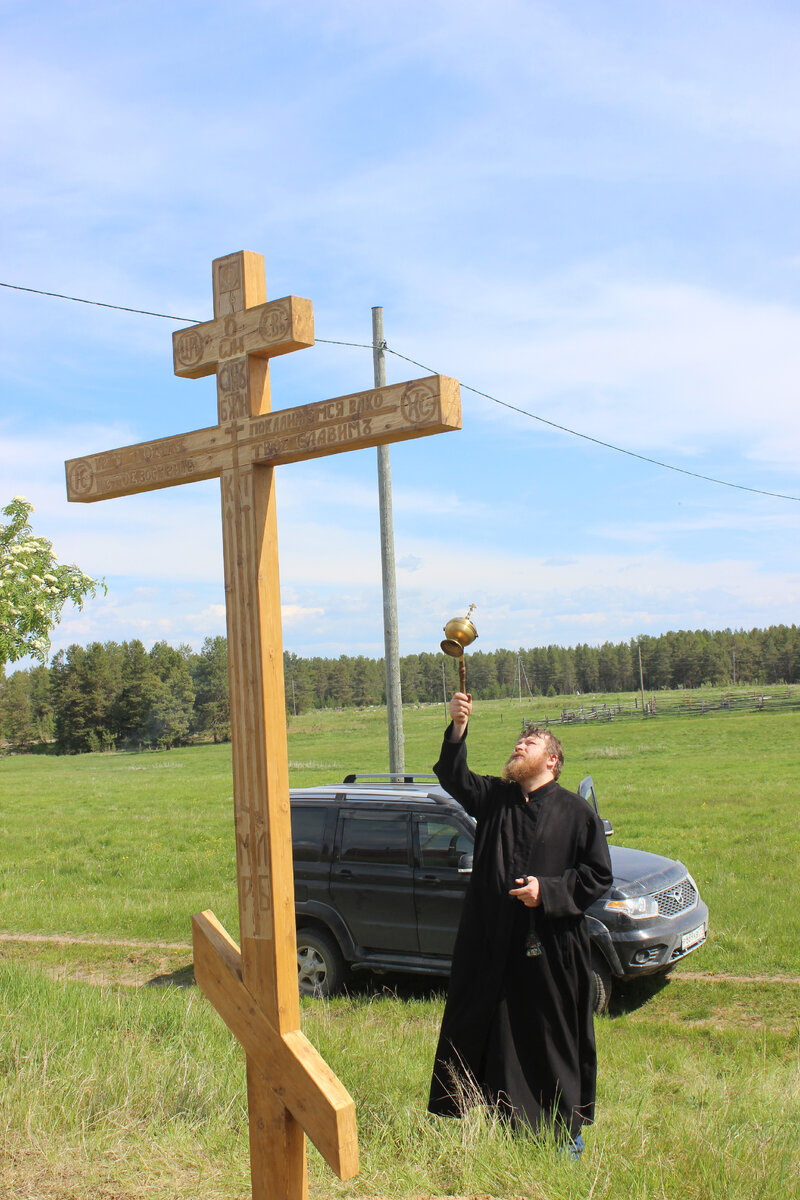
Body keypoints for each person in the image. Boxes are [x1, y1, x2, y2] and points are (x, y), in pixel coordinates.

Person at [428, 691, 613, 1155]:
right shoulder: (495, 799)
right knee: (488, 1038)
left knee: (547, 1046)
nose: (518, 746)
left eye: (529, 742)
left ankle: (564, 1142)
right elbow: (454, 776)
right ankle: (497, 1135)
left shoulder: (576, 813)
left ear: (551, 759)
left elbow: (597, 878)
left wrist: (546, 892)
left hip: (548, 957)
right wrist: (458, 727)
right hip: (490, 950)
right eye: (517, 741)